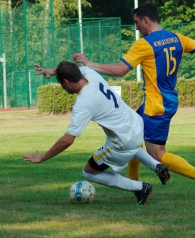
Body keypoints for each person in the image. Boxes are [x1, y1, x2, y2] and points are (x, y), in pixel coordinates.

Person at [72, 2, 195, 201]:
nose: (136, 28)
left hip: (156, 107)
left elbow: (121, 70)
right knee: (131, 132)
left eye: (137, 23)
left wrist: (89, 64)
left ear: (146, 19)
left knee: (157, 154)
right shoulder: (176, 38)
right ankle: (133, 177)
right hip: (165, 101)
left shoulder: (145, 44)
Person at [22, 61, 170, 206]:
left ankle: (140, 188)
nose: (62, 87)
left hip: (122, 141)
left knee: (89, 173)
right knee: (132, 145)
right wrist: (51, 71)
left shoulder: (83, 103)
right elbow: (72, 68)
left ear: (66, 82)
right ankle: (157, 166)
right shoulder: (89, 73)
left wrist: (43, 157)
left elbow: (67, 140)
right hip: (136, 125)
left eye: (60, 83)